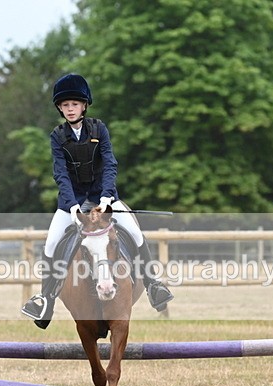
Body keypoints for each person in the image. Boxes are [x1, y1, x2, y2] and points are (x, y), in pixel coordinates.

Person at [21, 73, 174, 329]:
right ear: (60, 108)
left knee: (136, 234)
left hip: (105, 197)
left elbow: (110, 164)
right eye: (65, 105)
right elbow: (60, 173)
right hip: (72, 203)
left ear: (84, 105)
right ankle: (45, 299)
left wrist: (106, 197)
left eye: (74, 104)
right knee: (50, 245)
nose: (70, 109)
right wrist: (71, 206)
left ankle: (153, 286)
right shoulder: (57, 136)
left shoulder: (98, 129)